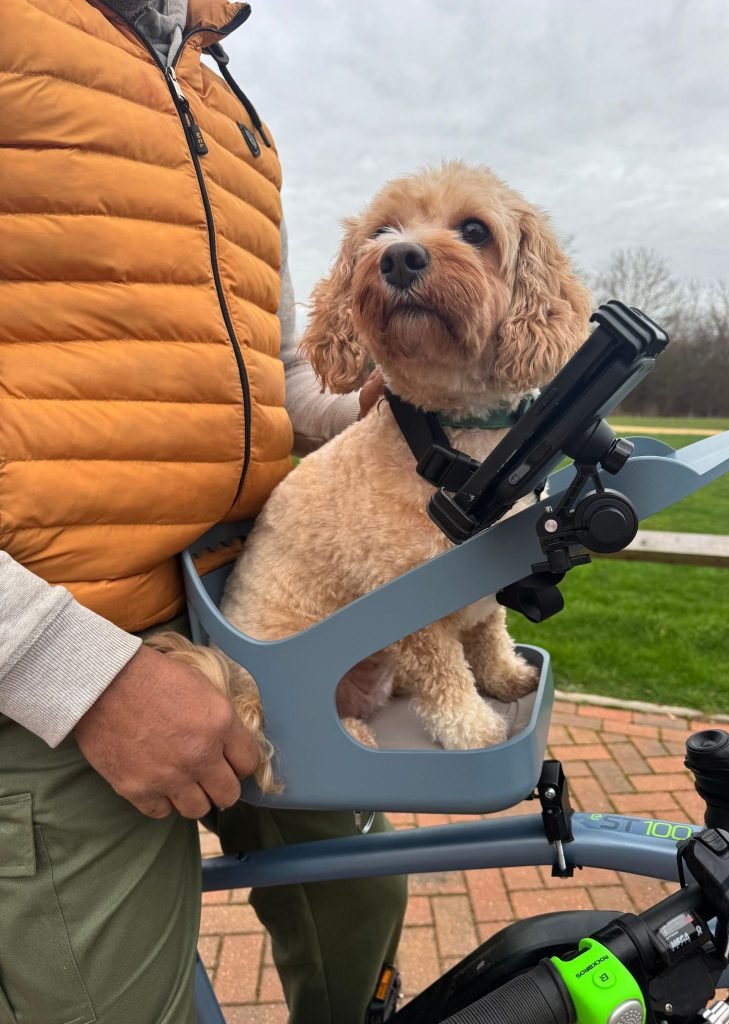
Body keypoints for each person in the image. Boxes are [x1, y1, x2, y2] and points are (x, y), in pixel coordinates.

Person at [0, 2, 406, 1022]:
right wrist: (74, 675)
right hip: (57, 655)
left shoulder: (230, 110)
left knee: (362, 902)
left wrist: (390, 398)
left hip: (243, 608)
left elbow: (274, 377)